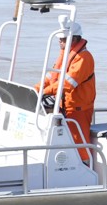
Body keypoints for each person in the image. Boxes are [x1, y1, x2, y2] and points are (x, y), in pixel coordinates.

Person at [35, 23, 96, 163]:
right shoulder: (66, 56)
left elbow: (68, 84)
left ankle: (87, 169)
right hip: (65, 107)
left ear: (73, 39)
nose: (59, 41)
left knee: (80, 144)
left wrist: (45, 92)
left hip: (78, 109)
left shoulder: (84, 58)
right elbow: (52, 77)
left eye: (62, 39)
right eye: (60, 38)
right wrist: (36, 89)